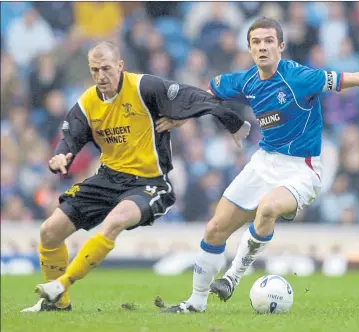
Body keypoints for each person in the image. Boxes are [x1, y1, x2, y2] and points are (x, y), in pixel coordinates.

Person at [160, 17, 359, 313]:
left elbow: (354, 78)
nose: (262, 47)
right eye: (256, 42)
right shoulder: (245, 81)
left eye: (268, 41)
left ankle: (233, 276)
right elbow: (207, 92)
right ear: (249, 48)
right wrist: (180, 117)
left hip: (302, 169)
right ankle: (195, 304)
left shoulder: (301, 78)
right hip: (263, 163)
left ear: (281, 46)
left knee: (267, 208)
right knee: (214, 229)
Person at [21, 41, 250, 313]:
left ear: (120, 65)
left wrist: (232, 122)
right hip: (107, 179)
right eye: (95, 70)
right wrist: (61, 155)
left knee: (116, 220)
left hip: (149, 182)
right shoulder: (88, 102)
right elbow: (70, 138)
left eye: (106, 68)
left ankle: (62, 284)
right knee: (49, 232)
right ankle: (58, 306)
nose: (100, 76)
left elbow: (193, 96)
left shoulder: (145, 88)